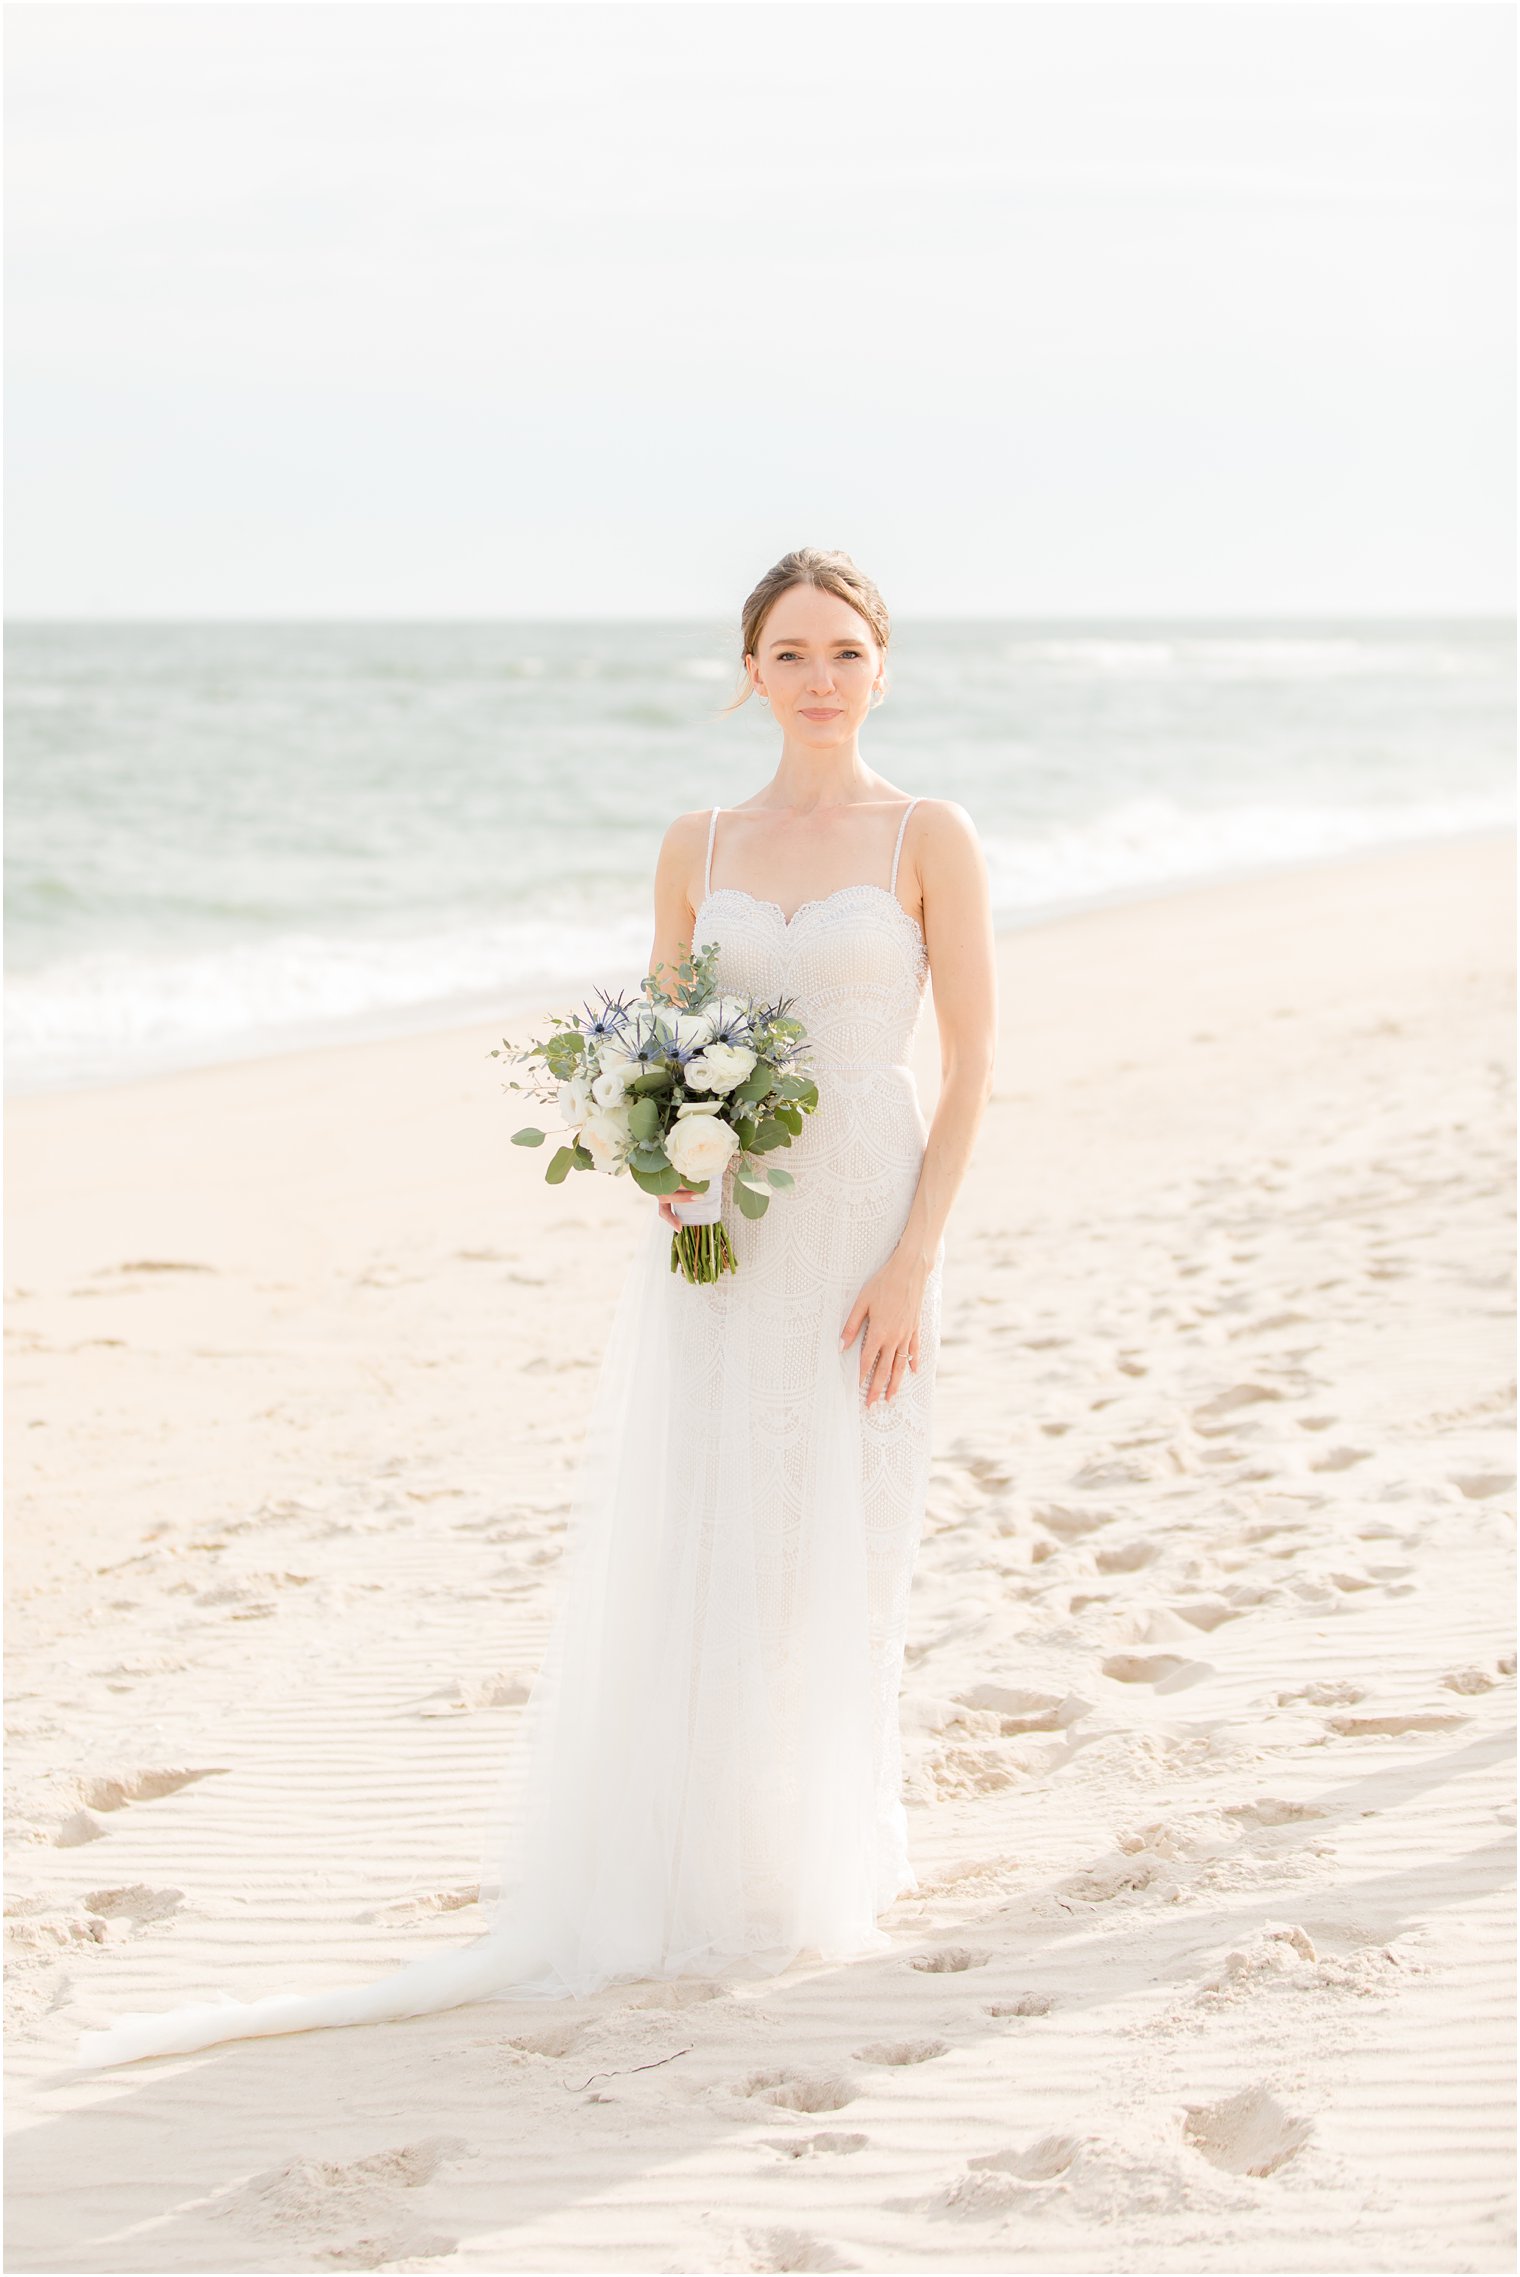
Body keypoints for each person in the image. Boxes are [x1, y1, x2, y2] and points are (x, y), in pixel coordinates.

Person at [76, 547, 997, 2067]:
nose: (819, 679)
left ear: (883, 666)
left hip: (862, 1234)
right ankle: (699, 1855)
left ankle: (821, 1851)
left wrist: (911, 1260)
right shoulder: (697, 840)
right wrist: (662, 1155)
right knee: (715, 1524)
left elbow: (967, 1067)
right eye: (790, 654)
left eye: (844, 652)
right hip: (727, 1235)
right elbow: (655, 1041)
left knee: (843, 1528)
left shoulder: (927, 833)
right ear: (748, 672)